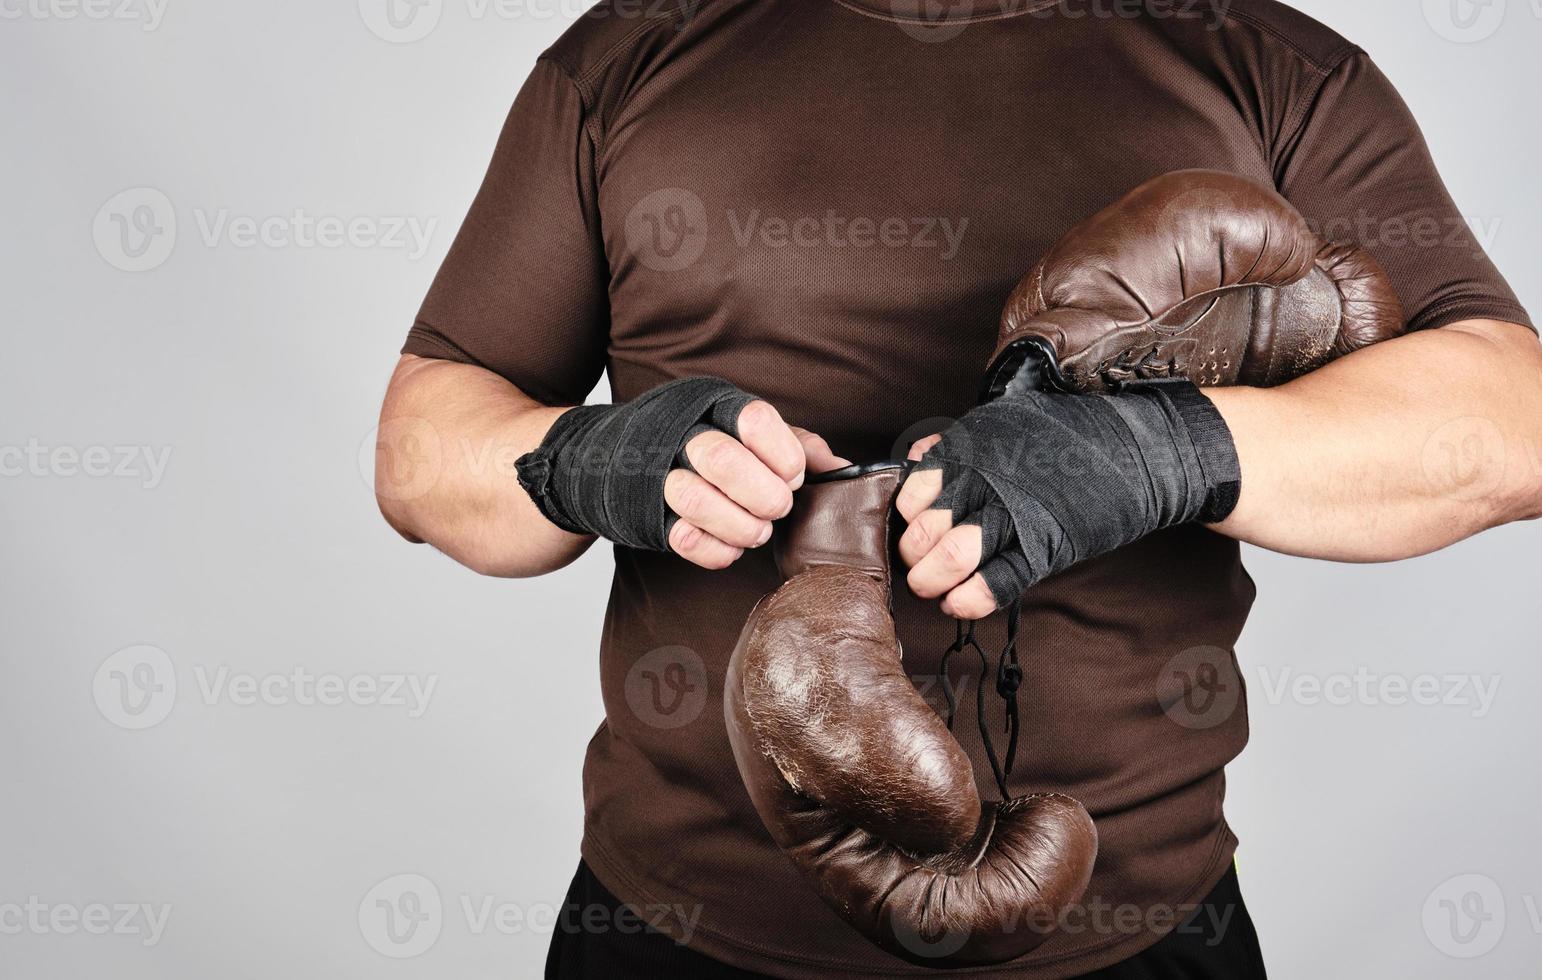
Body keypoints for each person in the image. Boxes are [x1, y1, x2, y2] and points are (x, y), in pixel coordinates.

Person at [374, 1, 1540, 976]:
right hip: (673, 927)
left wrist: (1153, 452)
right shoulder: (630, 57)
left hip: (1136, 932)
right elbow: (418, 449)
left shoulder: (1267, 66)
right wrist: (592, 460)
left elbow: (1512, 423)